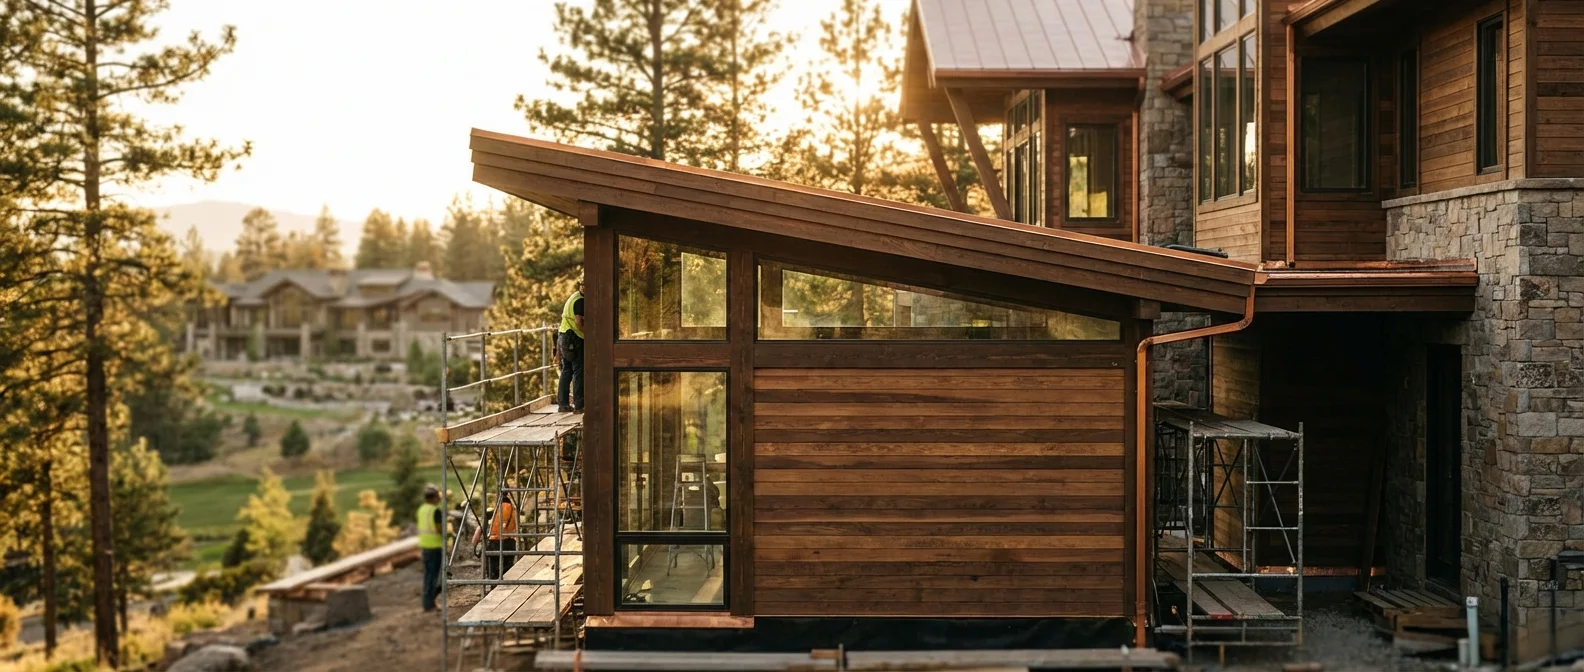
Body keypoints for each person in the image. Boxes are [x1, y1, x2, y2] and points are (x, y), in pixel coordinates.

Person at [471, 492, 517, 580]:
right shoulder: (514, 512)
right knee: (508, 570)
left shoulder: (492, 513)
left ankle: (494, 587)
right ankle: (507, 588)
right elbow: (518, 529)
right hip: (509, 544)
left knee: (493, 571)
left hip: (494, 544)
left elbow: (479, 530)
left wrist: (475, 543)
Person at [556, 281, 585, 412]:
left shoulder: (574, 296)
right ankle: (579, 405)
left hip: (563, 336)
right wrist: (589, 334)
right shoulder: (580, 301)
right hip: (574, 338)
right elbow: (579, 322)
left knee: (567, 369)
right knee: (578, 371)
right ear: (582, 287)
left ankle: (563, 404)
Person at [417, 484, 444, 612]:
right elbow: (440, 529)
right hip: (435, 547)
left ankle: (427, 603)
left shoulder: (421, 509)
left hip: (425, 547)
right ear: (433, 497)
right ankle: (430, 604)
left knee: (428, 576)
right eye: (438, 496)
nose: (439, 498)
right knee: (434, 577)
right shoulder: (435, 511)